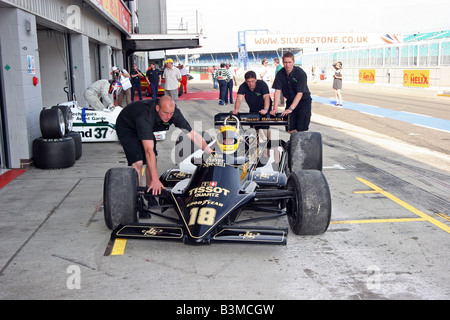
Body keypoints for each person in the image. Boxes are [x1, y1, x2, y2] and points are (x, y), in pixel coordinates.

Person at [115, 95, 213, 195]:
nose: (168, 116)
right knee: (138, 162)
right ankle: (138, 194)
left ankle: (150, 191)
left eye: (171, 113)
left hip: (146, 127)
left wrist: (209, 151)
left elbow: (192, 134)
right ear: (157, 108)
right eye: (165, 113)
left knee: (152, 160)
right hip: (127, 126)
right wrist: (156, 180)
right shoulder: (145, 116)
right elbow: (148, 151)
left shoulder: (175, 113)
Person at [271, 52, 312, 134]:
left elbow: (300, 93)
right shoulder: (280, 74)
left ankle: (299, 145)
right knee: (290, 128)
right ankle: (295, 144)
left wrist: (290, 109)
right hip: (290, 100)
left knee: (301, 129)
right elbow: (278, 91)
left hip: (303, 101)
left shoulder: (300, 73)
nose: (287, 65)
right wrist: (275, 108)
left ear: (293, 62)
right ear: (283, 63)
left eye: (289, 62)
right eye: (285, 62)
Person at [233, 70, 272, 138]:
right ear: (245, 81)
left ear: (256, 80)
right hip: (253, 107)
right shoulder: (243, 86)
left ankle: (269, 142)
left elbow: (266, 97)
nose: (251, 84)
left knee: (265, 127)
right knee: (256, 127)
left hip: (264, 106)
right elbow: (239, 98)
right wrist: (236, 109)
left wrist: (265, 109)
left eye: (252, 81)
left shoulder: (262, 84)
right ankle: (260, 143)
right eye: (248, 82)